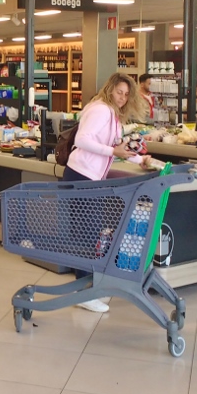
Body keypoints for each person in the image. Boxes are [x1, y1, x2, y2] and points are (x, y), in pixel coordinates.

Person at [63, 72, 151, 314]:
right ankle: (84, 293)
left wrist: (140, 159)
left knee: (90, 235)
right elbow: (82, 140)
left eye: (126, 94)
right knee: (86, 235)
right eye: (119, 92)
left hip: (90, 178)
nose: (122, 98)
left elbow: (116, 147)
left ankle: (87, 288)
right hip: (81, 176)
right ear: (110, 89)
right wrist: (113, 153)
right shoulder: (101, 109)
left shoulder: (112, 114)